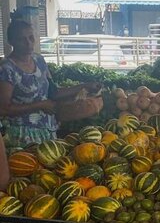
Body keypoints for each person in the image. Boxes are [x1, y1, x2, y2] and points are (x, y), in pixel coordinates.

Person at [0, 19, 93, 150]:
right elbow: (4, 109)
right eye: (22, 39)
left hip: (48, 132)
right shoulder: (7, 69)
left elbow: (53, 92)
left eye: (31, 38)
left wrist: (84, 86)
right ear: (12, 42)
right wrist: (40, 105)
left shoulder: (39, 60)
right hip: (21, 137)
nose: (28, 43)